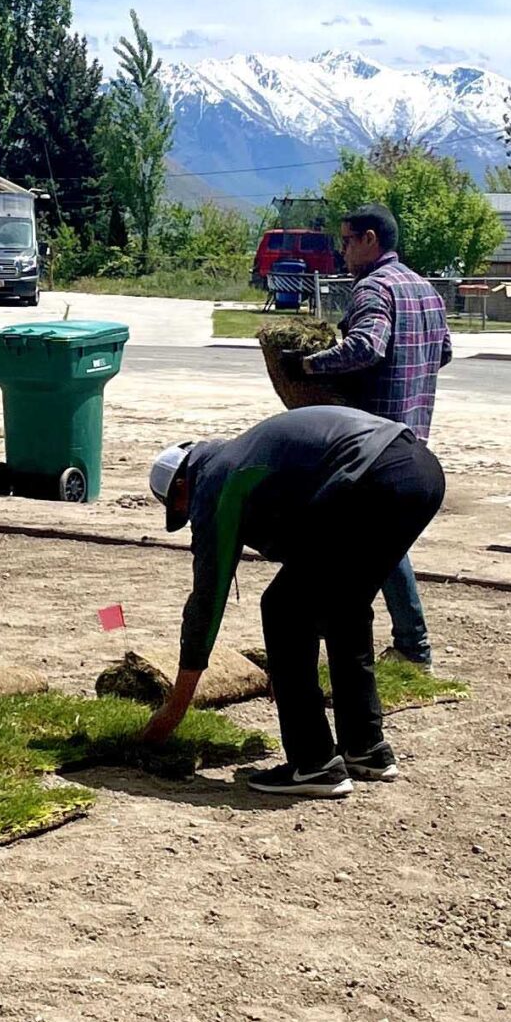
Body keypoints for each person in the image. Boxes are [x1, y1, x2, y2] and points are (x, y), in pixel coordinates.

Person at [142, 405, 444, 797]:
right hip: (420, 471)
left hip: (372, 476)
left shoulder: (216, 478)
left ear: (182, 484)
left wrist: (174, 708)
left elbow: (207, 599)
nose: (189, 517)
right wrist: (291, 668)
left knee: (283, 609)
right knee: (345, 606)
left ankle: (314, 763)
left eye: (179, 510)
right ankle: (366, 748)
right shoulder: (247, 455)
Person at [285, 202, 451, 668]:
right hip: (413, 435)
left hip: (372, 441)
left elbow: (366, 346)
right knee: (384, 540)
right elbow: (444, 352)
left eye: (347, 240)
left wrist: (310, 364)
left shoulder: (374, 288)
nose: (342, 251)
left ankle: (406, 646)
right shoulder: (425, 289)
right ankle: (405, 645)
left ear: (370, 240)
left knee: (368, 541)